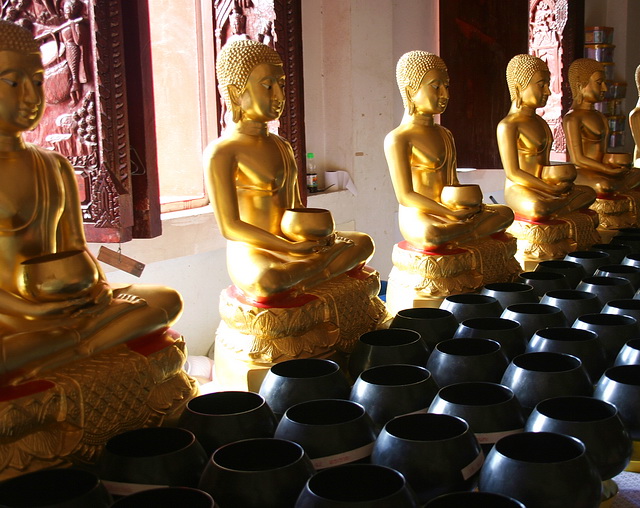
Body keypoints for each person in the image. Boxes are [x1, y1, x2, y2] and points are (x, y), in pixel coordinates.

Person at [0, 20, 182, 379]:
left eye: (37, 81)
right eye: (12, 82)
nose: (31, 97)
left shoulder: (53, 165)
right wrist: (36, 313)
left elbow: (75, 247)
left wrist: (98, 288)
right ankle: (81, 342)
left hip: (65, 305)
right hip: (12, 315)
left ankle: (77, 345)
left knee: (165, 299)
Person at [204, 39, 374, 301]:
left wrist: (319, 238)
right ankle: (319, 271)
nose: (279, 97)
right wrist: (287, 247)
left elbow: (296, 207)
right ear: (236, 92)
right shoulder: (223, 152)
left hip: (293, 243)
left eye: (281, 85)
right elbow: (230, 227)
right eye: (268, 86)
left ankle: (309, 273)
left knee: (363, 242)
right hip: (255, 250)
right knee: (268, 281)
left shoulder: (282, 145)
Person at [384, 50, 514, 250]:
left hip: (451, 210)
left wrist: (470, 205)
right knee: (432, 235)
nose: (445, 95)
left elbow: (453, 183)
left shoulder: (445, 133)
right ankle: (469, 232)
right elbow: (405, 196)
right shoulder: (399, 138)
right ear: (410, 91)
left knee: (505, 213)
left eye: (447, 86)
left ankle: (464, 231)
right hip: (420, 214)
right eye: (436, 87)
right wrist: (449, 213)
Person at [497, 54, 595, 219]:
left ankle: (558, 208)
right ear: (519, 88)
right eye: (541, 85)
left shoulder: (541, 122)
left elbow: (546, 165)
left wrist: (557, 185)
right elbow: (513, 173)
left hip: (545, 185)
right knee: (539, 207)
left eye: (548, 85)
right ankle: (560, 209)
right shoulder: (508, 125)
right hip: (520, 188)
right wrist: (549, 189)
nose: (548, 92)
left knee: (589, 193)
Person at [563, 58, 640, 196]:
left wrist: (614, 164)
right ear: (580, 86)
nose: (604, 88)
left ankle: (618, 186)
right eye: (599, 83)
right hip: (583, 171)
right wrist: (607, 169)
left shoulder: (600, 116)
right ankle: (617, 187)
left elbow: (603, 152)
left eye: (604, 83)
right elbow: (577, 159)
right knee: (604, 185)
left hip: (602, 169)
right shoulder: (572, 118)